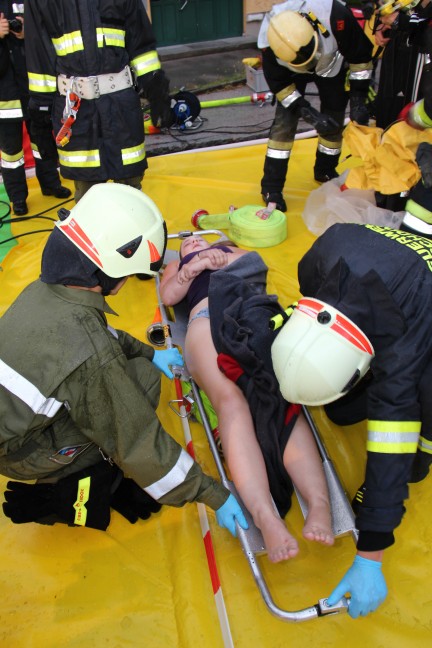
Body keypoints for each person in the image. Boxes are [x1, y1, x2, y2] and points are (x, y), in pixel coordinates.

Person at [0, 184, 247, 537]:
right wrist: (214, 495)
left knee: (143, 373)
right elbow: (135, 437)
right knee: (129, 404)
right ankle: (70, 481)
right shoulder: (89, 353)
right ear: (112, 269)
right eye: (130, 274)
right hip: (19, 452)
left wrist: (149, 353)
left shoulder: (47, 291)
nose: (129, 282)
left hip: (14, 422)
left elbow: (98, 336)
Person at [271, 221, 432, 617]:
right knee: (341, 411)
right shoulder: (322, 256)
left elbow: (393, 429)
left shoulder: (410, 325)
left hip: (421, 294)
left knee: (421, 393)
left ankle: (424, 456)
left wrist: (370, 553)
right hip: (389, 269)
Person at [160, 234, 334, 563]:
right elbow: (169, 294)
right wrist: (191, 268)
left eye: (199, 239)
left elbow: (253, 261)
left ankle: (320, 505)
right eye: (187, 244)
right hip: (205, 317)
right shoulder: (178, 265)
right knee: (230, 401)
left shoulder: (226, 250)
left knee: (282, 399)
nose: (193, 241)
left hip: (250, 313)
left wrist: (217, 257)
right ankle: (266, 516)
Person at [23, 0, 172, 203]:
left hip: (120, 109)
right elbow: (38, 51)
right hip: (77, 113)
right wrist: (41, 112)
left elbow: (140, 39)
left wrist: (155, 85)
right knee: (88, 198)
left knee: (132, 194)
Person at [257, 0, 374, 212]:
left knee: (335, 112)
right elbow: (283, 89)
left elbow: (361, 60)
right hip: (290, 73)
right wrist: (309, 114)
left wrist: (358, 98)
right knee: (284, 123)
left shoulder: (336, 16)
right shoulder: (270, 42)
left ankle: (326, 170)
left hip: (331, 63)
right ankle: (271, 187)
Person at [0, 4, 71, 216]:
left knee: (42, 140)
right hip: (4, 95)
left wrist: (26, 31)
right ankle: (18, 198)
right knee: (11, 152)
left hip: (32, 86)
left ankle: (50, 184)